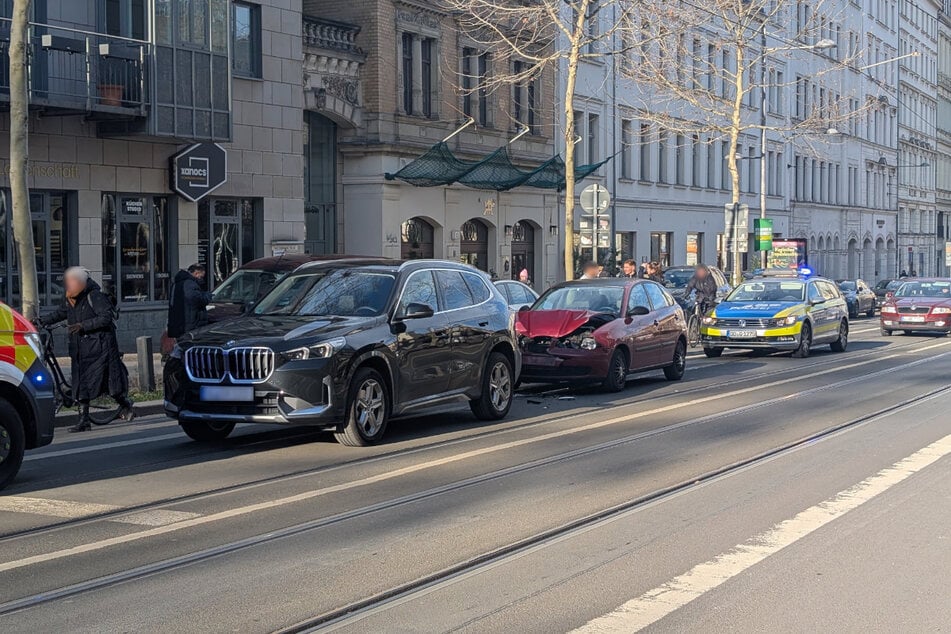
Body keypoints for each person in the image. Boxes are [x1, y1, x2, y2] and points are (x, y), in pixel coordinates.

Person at [41, 267, 133, 432]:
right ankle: (84, 421)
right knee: (82, 383)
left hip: (99, 348)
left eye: (72, 280)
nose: (69, 284)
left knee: (104, 383)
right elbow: (61, 313)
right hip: (80, 348)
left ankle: (125, 403)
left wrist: (83, 325)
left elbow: (105, 318)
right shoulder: (71, 298)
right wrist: (41, 321)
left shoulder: (94, 296)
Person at [167, 264, 213, 339]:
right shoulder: (190, 284)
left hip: (178, 323)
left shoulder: (177, 283)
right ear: (196, 273)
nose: (201, 279)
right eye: (201, 276)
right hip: (189, 323)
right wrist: (207, 296)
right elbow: (196, 300)